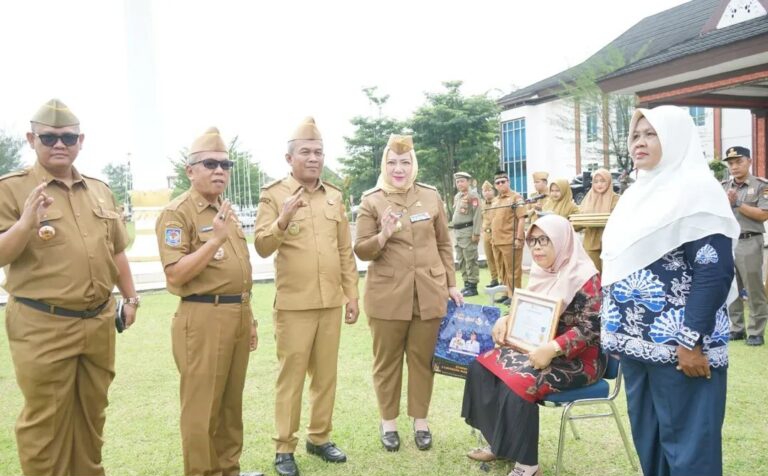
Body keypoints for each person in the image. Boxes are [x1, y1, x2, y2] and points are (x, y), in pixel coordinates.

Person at [0, 99, 139, 476]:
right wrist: (26, 222)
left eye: (68, 137)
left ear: (81, 141)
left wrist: (130, 297)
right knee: (46, 422)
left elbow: (117, 250)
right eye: (49, 137)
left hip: (96, 324)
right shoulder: (12, 190)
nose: (59, 144)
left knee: (92, 416)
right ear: (31, 139)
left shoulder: (98, 190)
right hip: (43, 324)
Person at [601, 106, 739, 476]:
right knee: (652, 443)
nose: (639, 142)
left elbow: (714, 269)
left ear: (675, 138)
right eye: (635, 135)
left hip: (682, 349)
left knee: (690, 450)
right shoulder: (637, 193)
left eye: (651, 134)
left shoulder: (696, 190)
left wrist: (691, 340)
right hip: (636, 346)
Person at [254, 117, 359, 476]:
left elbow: (345, 250)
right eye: (305, 152)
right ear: (289, 158)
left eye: (318, 152)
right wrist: (281, 221)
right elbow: (263, 246)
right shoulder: (274, 195)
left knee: (326, 376)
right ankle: (284, 447)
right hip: (294, 306)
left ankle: (319, 437)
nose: (313, 158)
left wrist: (352, 294)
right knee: (292, 377)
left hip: (331, 302)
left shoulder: (334, 196)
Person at [155, 127, 262, 476]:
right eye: (210, 163)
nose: (220, 170)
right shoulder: (177, 214)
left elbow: (239, 269)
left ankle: (228, 469)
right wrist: (213, 242)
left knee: (231, 407)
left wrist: (250, 317)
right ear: (190, 170)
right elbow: (174, 275)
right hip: (202, 318)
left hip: (237, 313)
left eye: (225, 164)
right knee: (202, 410)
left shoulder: (225, 210)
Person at [462, 214, 605, 476]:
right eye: (532, 241)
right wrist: (507, 319)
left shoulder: (586, 276)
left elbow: (591, 329)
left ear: (562, 241)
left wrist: (553, 348)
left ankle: (528, 465)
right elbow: (530, 311)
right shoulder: (543, 272)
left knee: (519, 380)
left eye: (544, 240)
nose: (537, 247)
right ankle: (500, 443)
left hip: (578, 360)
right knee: (482, 367)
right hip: (536, 350)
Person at [354, 134, 463, 453]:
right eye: (391, 162)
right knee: (386, 362)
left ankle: (420, 421)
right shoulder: (371, 200)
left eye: (404, 162)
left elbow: (444, 242)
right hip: (387, 296)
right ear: (383, 166)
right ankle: (388, 422)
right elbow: (361, 249)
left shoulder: (430, 197)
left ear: (413, 164)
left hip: (429, 292)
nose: (398, 169)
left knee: (422, 360)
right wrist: (384, 234)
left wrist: (452, 283)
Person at [722, 146, 768, 346]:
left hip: (749, 240)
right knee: (730, 285)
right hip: (727, 241)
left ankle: (756, 331)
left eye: (739, 162)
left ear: (749, 161)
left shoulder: (760, 186)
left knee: (753, 287)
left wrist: (737, 204)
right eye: (731, 163)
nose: (734, 166)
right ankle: (736, 327)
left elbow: (763, 214)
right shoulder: (722, 186)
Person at [490, 170, 527, 306]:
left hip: (510, 240)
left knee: (513, 271)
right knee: (502, 270)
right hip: (497, 241)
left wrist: (519, 238)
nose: (500, 184)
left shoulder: (516, 198)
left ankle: (515, 295)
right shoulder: (495, 200)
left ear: (508, 182)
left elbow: (521, 219)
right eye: (497, 183)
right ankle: (506, 293)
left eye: (503, 182)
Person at [577, 168, 620, 272]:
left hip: (609, 244)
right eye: (596, 181)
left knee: (609, 275)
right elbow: (579, 220)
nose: (599, 184)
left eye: (602, 181)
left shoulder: (616, 199)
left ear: (609, 181)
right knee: (593, 276)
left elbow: (619, 220)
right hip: (590, 243)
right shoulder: (588, 199)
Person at [452, 171, 483, 296]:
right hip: (458, 232)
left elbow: (477, 215)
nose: (459, 184)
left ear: (468, 182)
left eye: (462, 181)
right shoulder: (458, 196)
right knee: (461, 259)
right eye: (457, 181)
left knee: (470, 259)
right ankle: (466, 284)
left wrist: (476, 233)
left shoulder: (473, 196)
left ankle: (473, 286)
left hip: (468, 231)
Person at [480, 180, 500, 288]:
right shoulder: (482, 204)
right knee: (489, 258)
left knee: (498, 258)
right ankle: (494, 279)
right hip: (486, 234)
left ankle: (502, 279)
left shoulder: (498, 202)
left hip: (496, 233)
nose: (487, 193)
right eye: (484, 191)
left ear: (493, 191)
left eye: (489, 190)